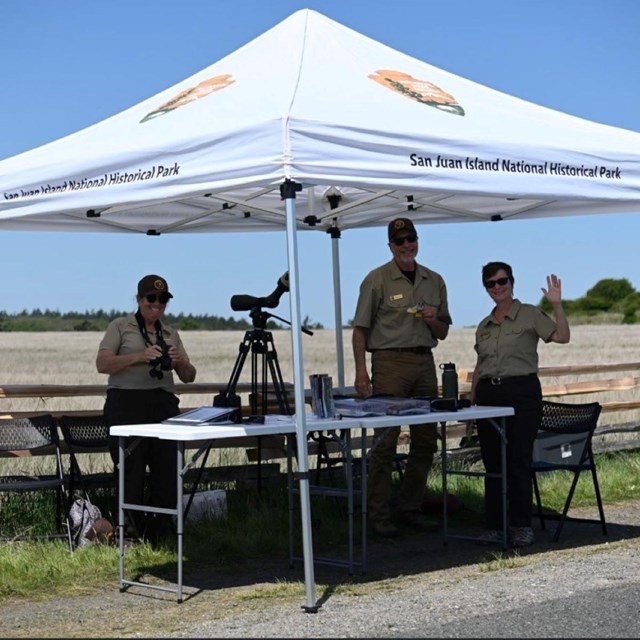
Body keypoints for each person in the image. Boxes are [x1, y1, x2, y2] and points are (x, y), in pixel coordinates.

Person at [352, 218, 452, 538]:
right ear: (391, 246)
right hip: (389, 363)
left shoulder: (433, 280)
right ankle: (378, 516)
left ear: (418, 241)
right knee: (385, 441)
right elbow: (360, 330)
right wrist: (361, 372)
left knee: (426, 441)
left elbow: (443, 331)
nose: (407, 245)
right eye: (400, 241)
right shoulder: (376, 280)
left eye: (411, 239)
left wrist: (433, 319)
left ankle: (410, 508)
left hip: (424, 361)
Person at [470, 262, 570, 548]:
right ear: (486, 288)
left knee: (517, 461)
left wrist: (557, 305)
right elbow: (480, 366)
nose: (497, 287)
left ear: (512, 282)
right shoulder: (484, 325)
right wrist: (472, 403)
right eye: (491, 284)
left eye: (502, 281)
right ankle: (494, 526)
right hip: (489, 395)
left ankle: (521, 526)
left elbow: (562, 337)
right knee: (492, 463)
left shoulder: (529, 314)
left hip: (521, 393)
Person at [96, 274, 197, 543]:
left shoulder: (170, 333)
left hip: (163, 404)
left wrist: (177, 362)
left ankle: (159, 533)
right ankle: (128, 535)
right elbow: (103, 364)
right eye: (151, 298)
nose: (157, 303)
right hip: (127, 404)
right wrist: (140, 356)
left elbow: (189, 376)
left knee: (167, 469)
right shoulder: (120, 326)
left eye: (163, 299)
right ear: (139, 299)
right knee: (131, 469)